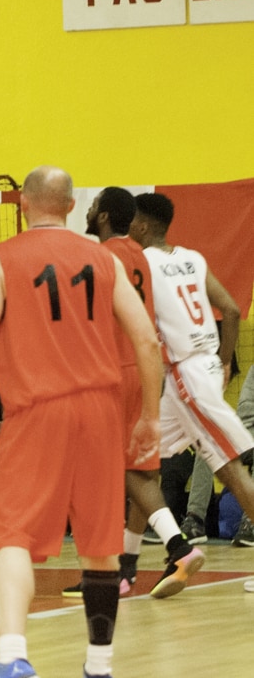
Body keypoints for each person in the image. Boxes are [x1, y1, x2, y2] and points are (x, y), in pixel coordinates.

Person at [0, 166, 162, 678]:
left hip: (36, 411)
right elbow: (147, 341)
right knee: (100, 544)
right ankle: (99, 665)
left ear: (23, 204)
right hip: (101, 411)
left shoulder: (1, 258)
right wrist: (150, 415)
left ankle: (12, 656)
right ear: (69, 206)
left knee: (13, 535)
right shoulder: (103, 258)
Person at [65, 186, 202, 600]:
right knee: (140, 470)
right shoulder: (140, 255)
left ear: (104, 216)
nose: (88, 211)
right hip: (146, 368)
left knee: (108, 472)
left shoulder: (99, 257)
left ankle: (161, 551)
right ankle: (132, 564)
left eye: (93, 206)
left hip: (112, 370)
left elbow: (85, 321)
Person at [131, 193, 254, 569]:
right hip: (196, 372)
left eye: (132, 220)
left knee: (230, 470)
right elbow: (230, 310)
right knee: (141, 464)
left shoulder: (142, 262)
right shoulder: (193, 258)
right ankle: (126, 562)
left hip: (186, 376)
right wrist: (224, 363)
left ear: (143, 225)